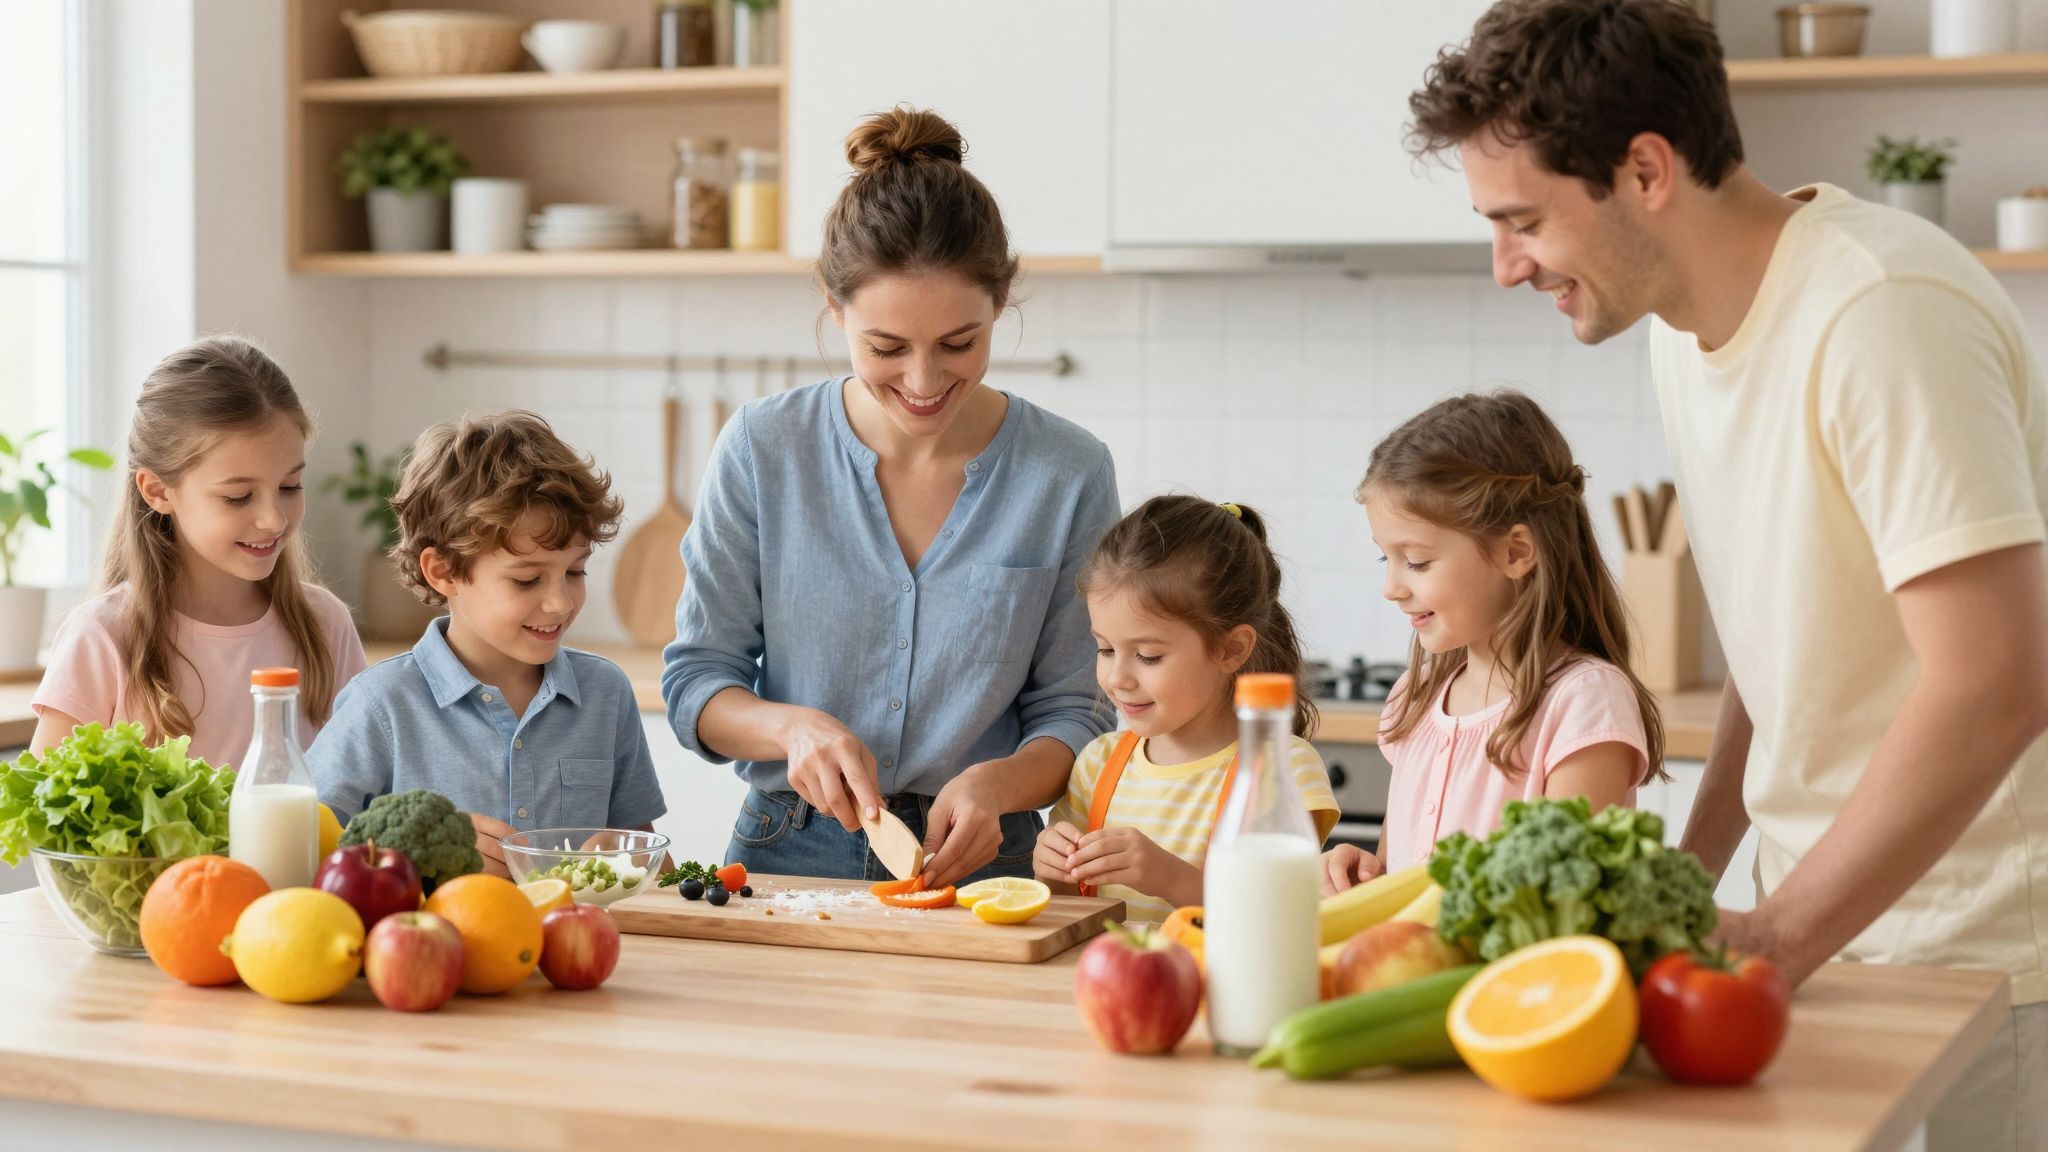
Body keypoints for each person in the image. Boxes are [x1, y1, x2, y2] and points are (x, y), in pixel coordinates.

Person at [1410, 3, 2048, 1146]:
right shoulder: (1677, 326)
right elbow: (1778, 632)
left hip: (1978, 959)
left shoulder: (1877, 311)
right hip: (1838, 937)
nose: (1505, 267)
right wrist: (1691, 884)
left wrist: (1782, 934)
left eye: (1521, 223)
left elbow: (1994, 680)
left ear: (1644, 170)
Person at [661, 106, 1119, 890]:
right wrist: (790, 727)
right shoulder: (764, 449)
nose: (922, 380)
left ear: (1000, 304)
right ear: (834, 310)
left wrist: (997, 786)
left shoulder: (1067, 472)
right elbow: (697, 682)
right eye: (885, 348)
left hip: (988, 859)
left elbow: (1079, 711)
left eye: (958, 344)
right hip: (786, 849)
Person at [1323, 392, 1659, 894]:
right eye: (1385, 560)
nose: (1391, 587)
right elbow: (1399, 883)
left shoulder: (1583, 704)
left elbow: (1563, 901)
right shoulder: (1416, 696)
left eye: (1415, 561)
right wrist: (1365, 877)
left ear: (1515, 552)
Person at [309, 411, 663, 878]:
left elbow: (646, 855)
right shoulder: (382, 706)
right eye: (527, 579)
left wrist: (632, 861)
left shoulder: (605, 693)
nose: (560, 602)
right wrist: (415, 855)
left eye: (575, 572)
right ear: (444, 571)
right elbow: (304, 856)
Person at [31, 336, 367, 766]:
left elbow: (365, 792)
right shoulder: (103, 638)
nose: (275, 519)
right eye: (238, 496)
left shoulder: (324, 625)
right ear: (157, 491)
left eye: (289, 487)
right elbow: (43, 817)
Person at [1034, 495, 1338, 922]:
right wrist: (1055, 872)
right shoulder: (1098, 764)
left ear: (1231, 650)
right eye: (1105, 649)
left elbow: (1278, 920)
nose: (1118, 677)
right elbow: (1070, 910)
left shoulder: (1278, 769)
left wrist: (1170, 878)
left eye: (1148, 656)